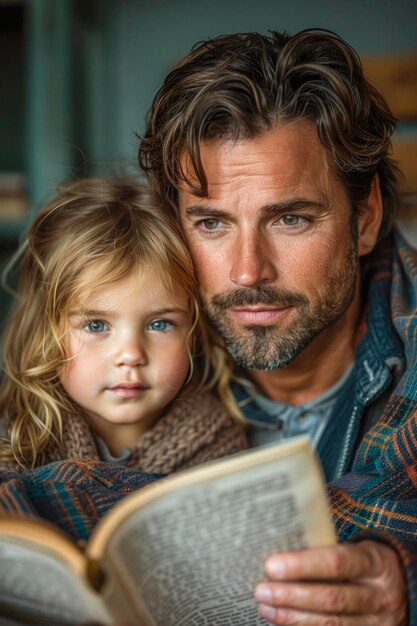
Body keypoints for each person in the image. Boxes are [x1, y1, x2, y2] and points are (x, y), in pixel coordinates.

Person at [138, 28, 417, 625]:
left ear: (363, 218)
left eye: (290, 218)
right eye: (211, 224)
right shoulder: (128, 352)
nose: (247, 272)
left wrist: (408, 587)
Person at [0, 177, 247, 474]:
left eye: (159, 324)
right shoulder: (14, 438)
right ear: (46, 332)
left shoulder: (219, 447)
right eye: (95, 326)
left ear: (193, 332)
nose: (130, 355)